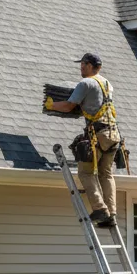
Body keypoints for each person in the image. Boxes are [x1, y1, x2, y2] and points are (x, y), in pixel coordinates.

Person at [47, 51, 121, 227]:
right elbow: (92, 105)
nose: (80, 67)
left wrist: (51, 105)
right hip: (113, 134)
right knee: (106, 174)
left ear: (90, 66)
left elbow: (68, 106)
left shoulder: (85, 83)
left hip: (98, 134)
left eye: (83, 64)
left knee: (86, 172)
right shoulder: (107, 84)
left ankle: (100, 209)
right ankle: (112, 214)